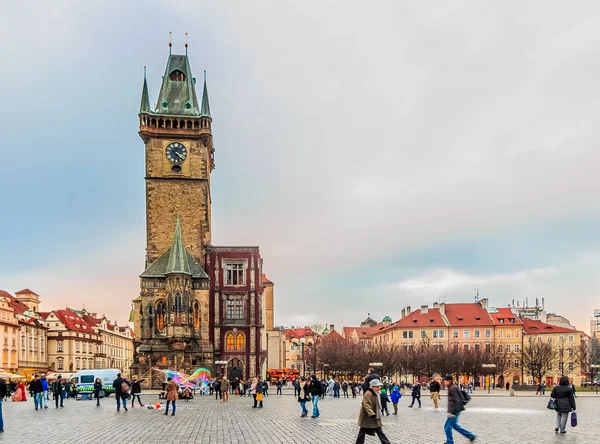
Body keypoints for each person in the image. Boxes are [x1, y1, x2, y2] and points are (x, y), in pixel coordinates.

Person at [355, 379, 391, 444]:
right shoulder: (368, 393)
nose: (379, 388)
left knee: (378, 430)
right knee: (364, 431)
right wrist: (371, 413)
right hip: (368, 417)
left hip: (373, 416)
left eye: (379, 386)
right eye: (377, 386)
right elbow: (366, 404)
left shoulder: (375, 393)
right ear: (373, 386)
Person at [443, 375, 476, 444]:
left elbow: (457, 400)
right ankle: (470, 436)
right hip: (455, 410)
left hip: (454, 410)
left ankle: (450, 442)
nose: (444, 382)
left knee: (447, 427)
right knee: (454, 425)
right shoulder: (451, 387)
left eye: (445, 381)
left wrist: (453, 412)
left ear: (449, 381)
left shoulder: (453, 388)